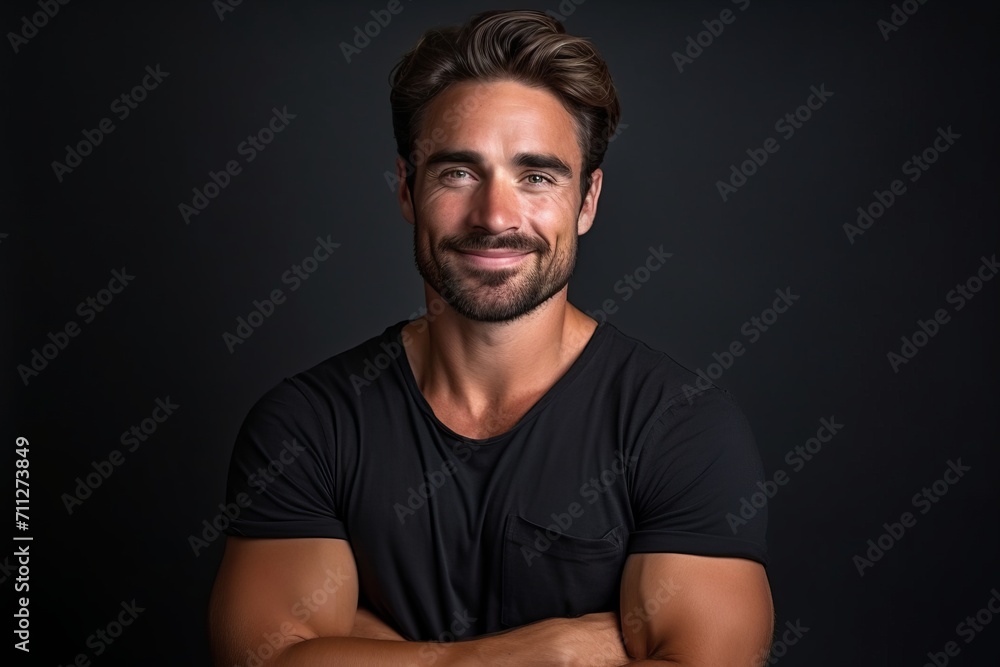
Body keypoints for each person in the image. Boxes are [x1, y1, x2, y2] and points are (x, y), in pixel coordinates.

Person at [209, 9, 774, 666]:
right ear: (406, 189)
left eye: (536, 176)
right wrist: (552, 650)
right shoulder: (307, 425)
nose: (496, 216)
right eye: (458, 172)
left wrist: (374, 651)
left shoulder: (680, 427)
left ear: (586, 201)